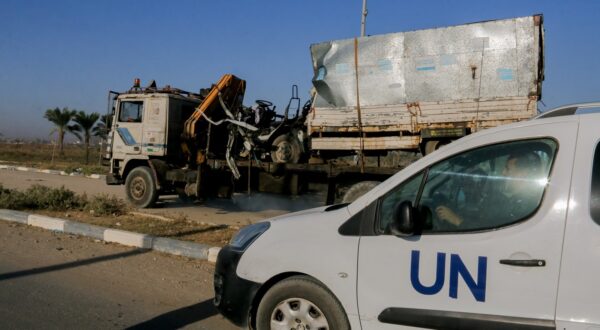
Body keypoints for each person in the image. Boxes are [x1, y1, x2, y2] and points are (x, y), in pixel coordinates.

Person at [435, 150, 543, 229]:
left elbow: (492, 234)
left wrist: (456, 220)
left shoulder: (526, 206)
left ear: (523, 174)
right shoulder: (510, 200)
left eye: (508, 169)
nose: (503, 173)